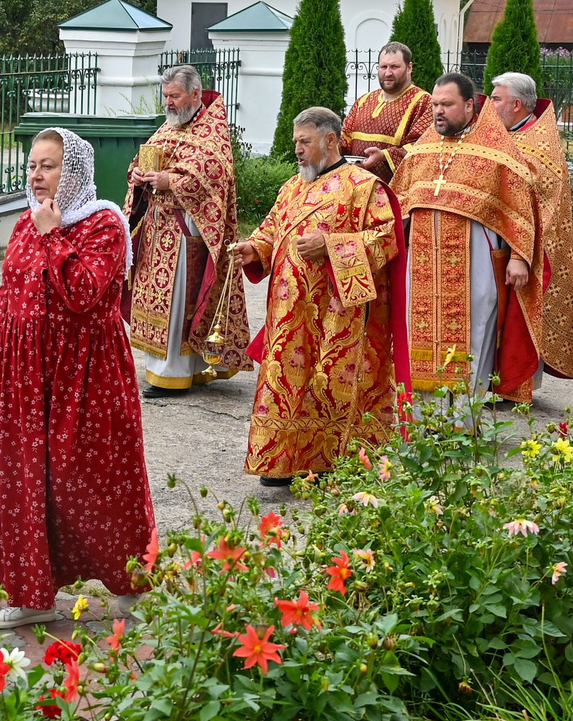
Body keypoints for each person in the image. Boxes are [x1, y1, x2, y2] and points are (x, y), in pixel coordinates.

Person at [0, 129, 153, 626]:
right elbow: (8, 297)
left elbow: (84, 293)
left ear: (72, 171)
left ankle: (129, 584)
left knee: (95, 482)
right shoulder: (28, 224)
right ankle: (32, 595)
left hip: (87, 378)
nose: (36, 175)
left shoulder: (105, 224)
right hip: (27, 376)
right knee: (28, 481)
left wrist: (53, 236)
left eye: (47, 166)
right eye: (32, 165)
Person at [228, 108, 403, 487]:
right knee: (287, 381)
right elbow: (272, 228)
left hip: (337, 312)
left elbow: (387, 239)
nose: (298, 150)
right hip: (288, 311)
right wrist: (254, 249)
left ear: (330, 140)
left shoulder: (363, 186)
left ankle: (324, 461)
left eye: (304, 142)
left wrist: (332, 245)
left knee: (326, 383)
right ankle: (280, 458)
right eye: (296, 142)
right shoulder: (292, 186)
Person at [398, 73, 544, 400]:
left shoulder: (496, 148)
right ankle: (422, 423)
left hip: (475, 264)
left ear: (468, 105)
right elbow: (400, 204)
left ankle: (465, 421)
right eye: (435, 104)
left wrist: (519, 258)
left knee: (475, 334)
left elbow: (520, 204)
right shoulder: (422, 149)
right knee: (418, 336)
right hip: (422, 264)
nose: (438, 111)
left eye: (447, 105)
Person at [124, 65, 250, 397]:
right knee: (159, 298)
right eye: (166, 96)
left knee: (180, 299)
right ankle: (178, 368)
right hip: (156, 226)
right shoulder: (170, 125)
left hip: (187, 230)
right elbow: (143, 159)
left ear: (194, 94)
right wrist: (137, 175)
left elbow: (215, 173)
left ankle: (172, 373)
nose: (169, 102)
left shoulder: (212, 129)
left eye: (174, 96)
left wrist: (171, 180)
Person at [486, 70, 573, 385]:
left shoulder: (539, 143)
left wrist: (520, 249)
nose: (490, 105)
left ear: (516, 104)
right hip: (499, 234)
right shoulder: (503, 132)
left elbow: (540, 201)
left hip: (528, 243)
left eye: (496, 98)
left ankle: (519, 380)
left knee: (519, 309)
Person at [342, 42, 430, 184]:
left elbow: (422, 147)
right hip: (356, 186)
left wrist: (384, 155)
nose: (388, 73)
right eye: (384, 67)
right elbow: (344, 141)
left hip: (394, 191)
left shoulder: (423, 102)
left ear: (409, 68)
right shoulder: (363, 101)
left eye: (394, 67)